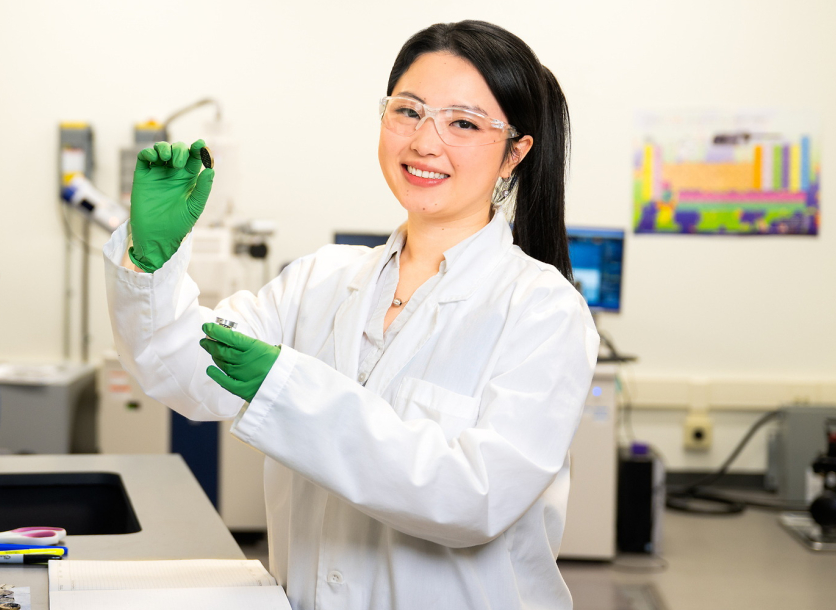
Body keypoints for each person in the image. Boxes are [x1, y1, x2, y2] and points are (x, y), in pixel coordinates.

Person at [104, 19, 599, 610]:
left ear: (514, 153)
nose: (424, 142)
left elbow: (474, 498)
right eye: (408, 111)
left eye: (463, 123)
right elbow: (185, 372)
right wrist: (150, 261)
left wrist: (290, 391)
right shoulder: (322, 280)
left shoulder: (543, 311)